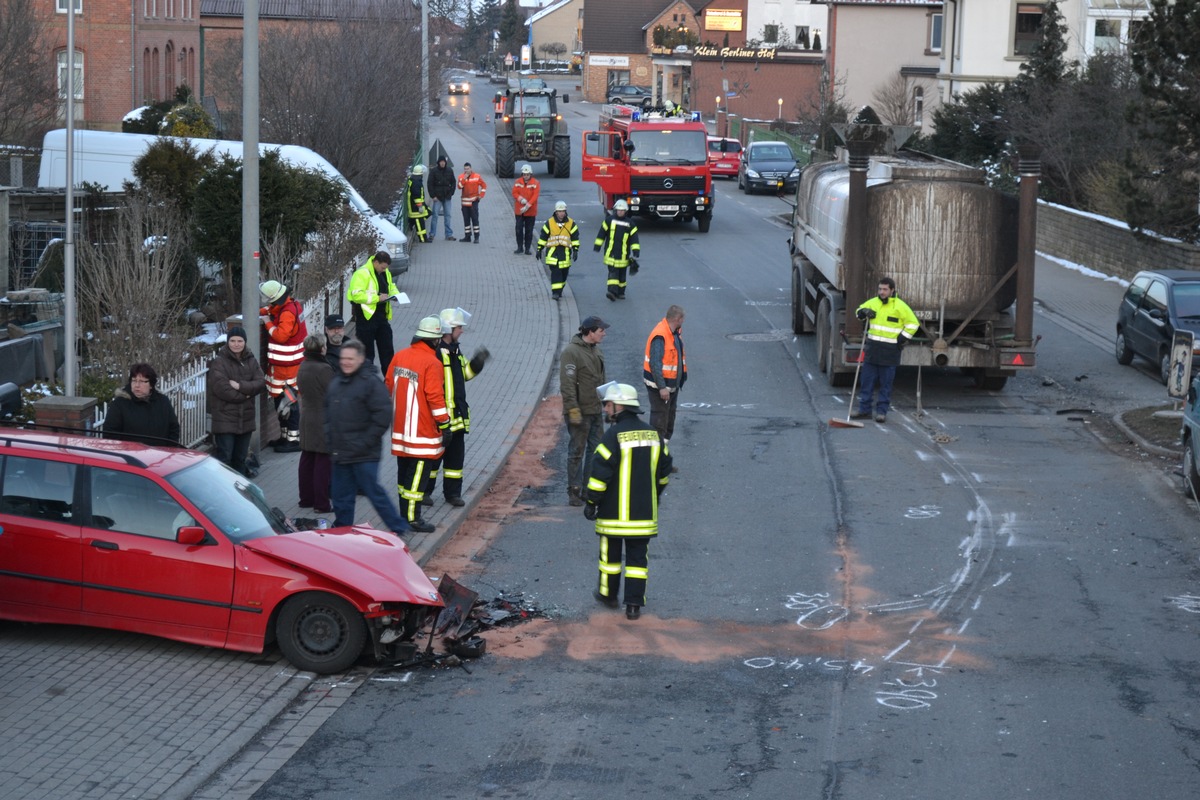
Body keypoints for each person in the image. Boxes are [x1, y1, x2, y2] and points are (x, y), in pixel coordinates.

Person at [583, 382, 672, 621]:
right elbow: (664, 473)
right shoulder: (655, 435)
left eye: (608, 405)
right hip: (644, 515)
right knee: (637, 562)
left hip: (613, 515)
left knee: (610, 560)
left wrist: (592, 502)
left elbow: (599, 475)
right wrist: (654, 497)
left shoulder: (612, 436)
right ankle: (633, 606)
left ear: (619, 406)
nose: (605, 410)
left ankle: (608, 595)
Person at [325, 339, 413, 537]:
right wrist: (329, 438)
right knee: (341, 497)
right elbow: (327, 413)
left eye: (350, 359)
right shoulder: (337, 383)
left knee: (374, 493)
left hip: (365, 454)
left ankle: (398, 527)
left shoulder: (371, 383)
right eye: (343, 358)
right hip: (341, 452)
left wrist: (364, 442)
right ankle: (341, 532)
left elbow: (382, 417)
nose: (346, 362)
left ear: (361, 359)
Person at [385, 316, 452, 533]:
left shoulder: (400, 356)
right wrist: (445, 423)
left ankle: (404, 514)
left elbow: (388, 385)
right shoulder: (432, 363)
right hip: (422, 432)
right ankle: (413, 518)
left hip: (401, 430)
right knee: (417, 478)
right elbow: (435, 397)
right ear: (434, 340)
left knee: (404, 477)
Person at [423, 307, 490, 508]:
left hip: (457, 417)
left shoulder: (455, 351)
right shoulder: (436, 354)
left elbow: (464, 376)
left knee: (455, 460)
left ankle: (452, 494)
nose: (461, 331)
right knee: (434, 458)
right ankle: (425, 492)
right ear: (448, 329)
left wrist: (477, 363)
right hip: (441, 418)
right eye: (459, 327)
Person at [852, 276, 919, 424]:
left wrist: (903, 337)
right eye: (880, 289)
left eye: (885, 289)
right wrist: (863, 312)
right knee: (866, 381)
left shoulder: (900, 306)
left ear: (892, 290)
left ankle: (881, 412)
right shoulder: (873, 303)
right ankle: (864, 410)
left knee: (886, 384)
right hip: (873, 349)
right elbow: (858, 311)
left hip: (890, 351)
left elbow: (913, 323)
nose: (882, 292)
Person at [560, 316, 609, 507]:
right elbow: (567, 384)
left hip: (595, 409)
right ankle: (574, 490)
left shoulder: (597, 350)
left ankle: (588, 489)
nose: (604, 334)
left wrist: (607, 402)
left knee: (596, 450)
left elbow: (602, 379)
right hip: (579, 411)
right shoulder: (571, 353)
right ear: (589, 332)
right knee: (576, 451)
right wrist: (573, 410)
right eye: (600, 331)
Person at [207, 326, 266, 476]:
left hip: (245, 420)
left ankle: (239, 492)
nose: (236, 344)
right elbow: (223, 390)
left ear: (245, 342)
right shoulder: (219, 362)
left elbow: (260, 383)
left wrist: (240, 386)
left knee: (240, 459)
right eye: (232, 341)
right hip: (225, 420)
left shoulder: (251, 360)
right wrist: (247, 394)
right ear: (228, 342)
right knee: (225, 460)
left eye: (240, 341)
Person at [258, 280, 308, 452]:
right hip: (286, 365)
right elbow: (274, 311)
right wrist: (263, 312)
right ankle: (285, 437)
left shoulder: (287, 313)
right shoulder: (291, 305)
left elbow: (280, 336)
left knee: (288, 403)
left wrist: (267, 322)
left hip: (287, 368)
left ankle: (293, 441)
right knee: (282, 403)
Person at [643, 305, 687, 469]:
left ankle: (661, 459)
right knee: (658, 425)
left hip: (671, 388)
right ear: (677, 319)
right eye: (682, 319)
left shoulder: (673, 333)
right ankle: (653, 463)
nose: (683, 322)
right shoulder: (661, 336)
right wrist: (662, 387)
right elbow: (655, 364)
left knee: (668, 424)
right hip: (660, 389)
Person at [347, 251, 401, 376]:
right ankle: (366, 382)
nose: (384, 270)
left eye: (386, 268)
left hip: (381, 318)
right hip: (366, 319)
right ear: (376, 262)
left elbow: (390, 286)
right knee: (366, 354)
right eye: (382, 267)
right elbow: (356, 295)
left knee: (387, 351)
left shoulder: (384, 272)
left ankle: (389, 383)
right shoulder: (362, 273)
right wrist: (377, 298)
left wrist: (396, 295)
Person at [297, 334, 334, 513]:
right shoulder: (324, 369)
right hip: (323, 420)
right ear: (321, 348)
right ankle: (321, 503)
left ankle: (306, 499)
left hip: (307, 418)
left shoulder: (303, 366)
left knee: (307, 458)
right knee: (323, 462)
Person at [103, 362, 182, 446]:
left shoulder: (163, 402)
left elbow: (174, 429)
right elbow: (110, 435)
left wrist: (169, 450)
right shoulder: (119, 404)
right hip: (131, 457)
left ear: (151, 384)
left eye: (141, 381)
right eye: (134, 380)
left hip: (161, 455)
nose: (137, 385)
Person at [593, 199, 640, 301]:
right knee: (613, 273)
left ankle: (621, 292)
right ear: (615, 210)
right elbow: (602, 233)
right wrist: (597, 245)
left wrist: (636, 250)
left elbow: (634, 239)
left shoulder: (630, 224)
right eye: (618, 210)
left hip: (624, 254)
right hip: (611, 253)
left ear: (625, 211)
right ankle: (612, 291)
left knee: (622, 275)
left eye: (622, 210)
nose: (620, 212)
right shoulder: (609, 221)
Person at [536, 200, 580, 300]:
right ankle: (555, 292)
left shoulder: (571, 223)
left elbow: (575, 238)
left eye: (563, 211)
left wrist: (576, 250)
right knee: (556, 272)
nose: (561, 213)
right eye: (559, 211)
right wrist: (539, 249)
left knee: (564, 274)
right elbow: (543, 236)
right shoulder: (549, 223)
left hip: (565, 254)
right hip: (553, 253)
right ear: (556, 212)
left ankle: (559, 289)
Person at [512, 164, 541, 255]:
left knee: (529, 231)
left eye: (527, 174)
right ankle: (520, 247)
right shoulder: (518, 182)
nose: (526, 176)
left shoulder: (535, 183)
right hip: (519, 211)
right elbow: (514, 192)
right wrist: (521, 199)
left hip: (530, 211)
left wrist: (527, 205)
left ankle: (527, 248)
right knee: (519, 229)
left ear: (530, 174)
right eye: (524, 174)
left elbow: (535, 196)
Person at [427, 154, 456, 241]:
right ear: (438, 163)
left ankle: (448, 234)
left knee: (448, 215)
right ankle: (432, 234)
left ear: (445, 162)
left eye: (444, 162)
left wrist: (451, 193)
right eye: (441, 162)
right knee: (435, 215)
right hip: (437, 197)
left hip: (447, 197)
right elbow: (430, 184)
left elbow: (453, 183)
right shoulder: (433, 171)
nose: (442, 163)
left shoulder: (449, 170)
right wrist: (433, 196)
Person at [457, 161, 487, 243]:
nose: (466, 170)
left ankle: (476, 237)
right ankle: (467, 236)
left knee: (475, 219)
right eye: (465, 169)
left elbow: (484, 186)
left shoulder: (477, 176)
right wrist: (464, 179)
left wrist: (481, 195)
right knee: (466, 220)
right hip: (464, 203)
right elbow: (459, 187)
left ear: (471, 168)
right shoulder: (461, 177)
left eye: (468, 169)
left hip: (474, 202)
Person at [405, 164, 430, 244]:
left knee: (428, 212)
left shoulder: (413, 179)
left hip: (413, 205)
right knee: (420, 223)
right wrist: (420, 206)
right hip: (415, 207)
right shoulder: (416, 182)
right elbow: (417, 195)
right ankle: (423, 239)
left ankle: (411, 223)